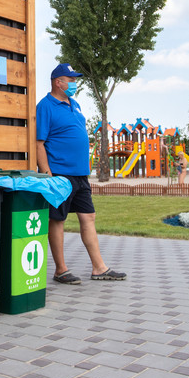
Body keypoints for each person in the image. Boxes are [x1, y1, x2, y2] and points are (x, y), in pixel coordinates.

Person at [36, 63, 126, 284]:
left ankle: (99, 268)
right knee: (57, 220)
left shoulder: (74, 104)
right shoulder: (45, 106)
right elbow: (39, 143)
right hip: (59, 174)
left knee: (88, 217)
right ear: (58, 82)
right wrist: (47, 175)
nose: (75, 84)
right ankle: (61, 270)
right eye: (71, 80)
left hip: (80, 174)